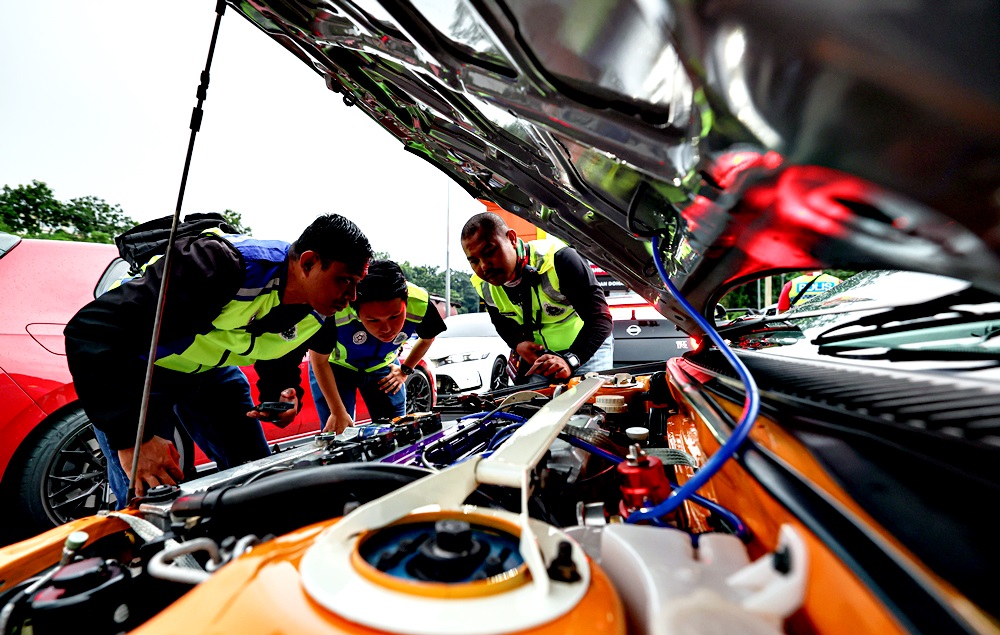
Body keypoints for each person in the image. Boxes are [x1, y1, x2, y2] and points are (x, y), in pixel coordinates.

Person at [64, 214, 373, 505]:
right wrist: (134, 438)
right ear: (308, 263)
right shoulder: (217, 264)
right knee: (145, 498)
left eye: (357, 283)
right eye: (344, 280)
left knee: (257, 478)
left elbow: (285, 349)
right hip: (139, 372)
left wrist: (281, 390)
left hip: (211, 375)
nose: (353, 295)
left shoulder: (322, 310)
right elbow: (90, 332)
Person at [461, 212, 613, 384]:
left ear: (511, 238)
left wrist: (571, 359)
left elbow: (601, 319)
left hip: (587, 350)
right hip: (542, 358)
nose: (484, 266)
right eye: (474, 261)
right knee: (537, 407)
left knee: (592, 404)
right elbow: (501, 322)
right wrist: (517, 343)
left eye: (489, 252)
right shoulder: (483, 285)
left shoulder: (559, 259)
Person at [308, 260, 446, 433]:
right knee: (339, 433)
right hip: (335, 366)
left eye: (395, 316)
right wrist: (337, 411)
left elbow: (428, 337)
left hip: (382, 365)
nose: (387, 329)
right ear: (355, 308)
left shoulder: (420, 302)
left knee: (396, 431)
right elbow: (318, 361)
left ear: (406, 300)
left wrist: (405, 370)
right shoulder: (334, 306)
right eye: (373, 320)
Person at [776, 270, 843, 312]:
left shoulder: (791, 284)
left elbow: (782, 313)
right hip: (830, 330)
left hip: (801, 331)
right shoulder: (838, 282)